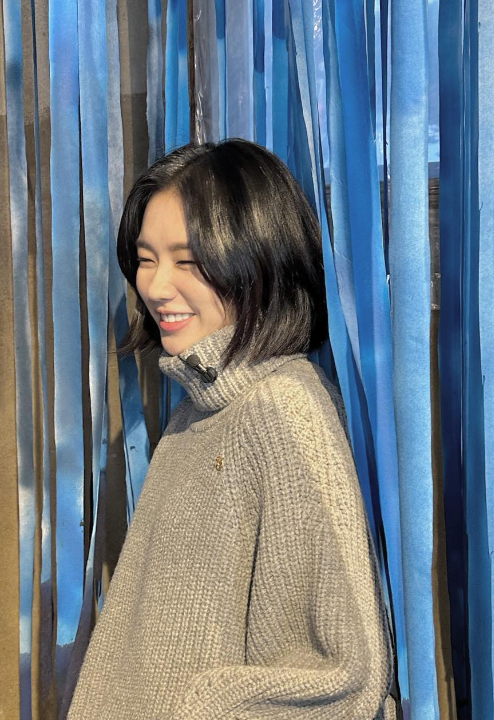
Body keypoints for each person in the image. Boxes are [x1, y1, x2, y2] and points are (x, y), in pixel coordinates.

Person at [67, 139, 398, 720]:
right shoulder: (197, 409)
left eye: (188, 261)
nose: (156, 287)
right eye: (146, 258)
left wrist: (199, 709)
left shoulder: (282, 407)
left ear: (260, 261)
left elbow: (345, 678)